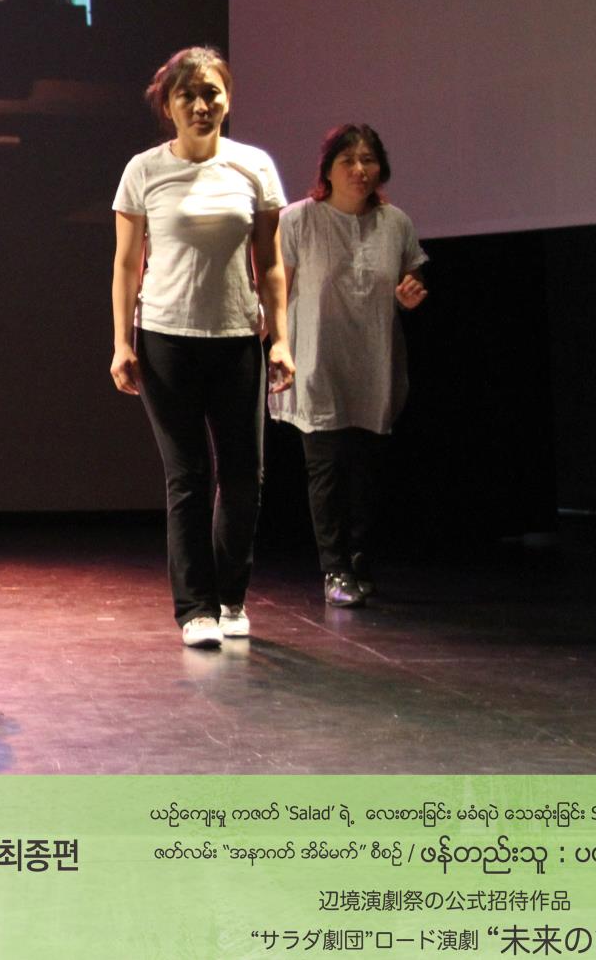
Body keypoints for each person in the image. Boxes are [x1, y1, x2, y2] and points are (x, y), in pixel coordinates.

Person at [109, 46, 292, 649]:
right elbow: (127, 263)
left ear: (227, 100)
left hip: (237, 338)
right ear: (168, 105)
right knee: (188, 477)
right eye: (186, 95)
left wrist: (282, 340)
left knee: (243, 478)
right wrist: (122, 342)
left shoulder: (253, 166)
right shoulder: (144, 170)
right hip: (165, 339)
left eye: (211, 92)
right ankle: (194, 609)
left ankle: (231, 597)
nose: (200, 104)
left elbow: (271, 264)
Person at [270, 124, 428, 608]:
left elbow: (410, 276)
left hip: (374, 360)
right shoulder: (298, 220)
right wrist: (276, 346)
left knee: (367, 471)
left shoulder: (395, 223)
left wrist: (410, 293)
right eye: (348, 161)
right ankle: (334, 568)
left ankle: (359, 559)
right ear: (328, 169)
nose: (360, 170)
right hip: (316, 360)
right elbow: (277, 290)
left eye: (369, 160)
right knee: (327, 469)